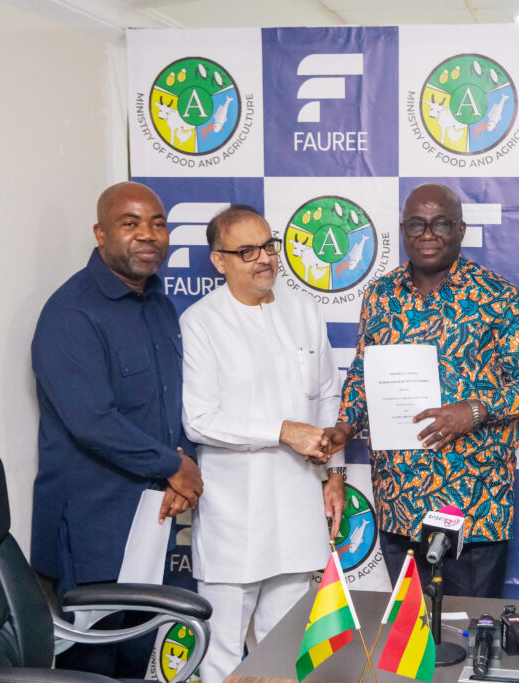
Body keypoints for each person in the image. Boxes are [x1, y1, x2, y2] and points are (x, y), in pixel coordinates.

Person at [324, 183, 519, 598]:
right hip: (399, 500)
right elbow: (362, 374)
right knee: (410, 629)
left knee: (469, 628)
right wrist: (344, 427)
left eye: (440, 224)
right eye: (416, 224)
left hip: (474, 504)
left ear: (460, 230)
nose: (427, 234)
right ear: (403, 231)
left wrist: (475, 411)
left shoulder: (497, 295)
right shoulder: (380, 295)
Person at [31, 181, 204, 677]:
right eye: (131, 223)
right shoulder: (71, 313)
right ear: (100, 233)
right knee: (92, 667)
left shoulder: (158, 303)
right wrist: (174, 466)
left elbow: (174, 398)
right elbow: (93, 421)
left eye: (158, 223)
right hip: (94, 529)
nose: (148, 234)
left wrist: (180, 465)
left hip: (152, 517)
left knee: (136, 656)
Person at [179, 205, 345, 683]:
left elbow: (328, 394)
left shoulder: (304, 310)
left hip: (297, 507)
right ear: (219, 261)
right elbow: (199, 420)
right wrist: (283, 429)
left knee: (286, 651)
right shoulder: (201, 321)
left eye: (269, 246)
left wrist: (335, 473)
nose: (265, 258)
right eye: (247, 251)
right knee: (222, 657)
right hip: (236, 516)